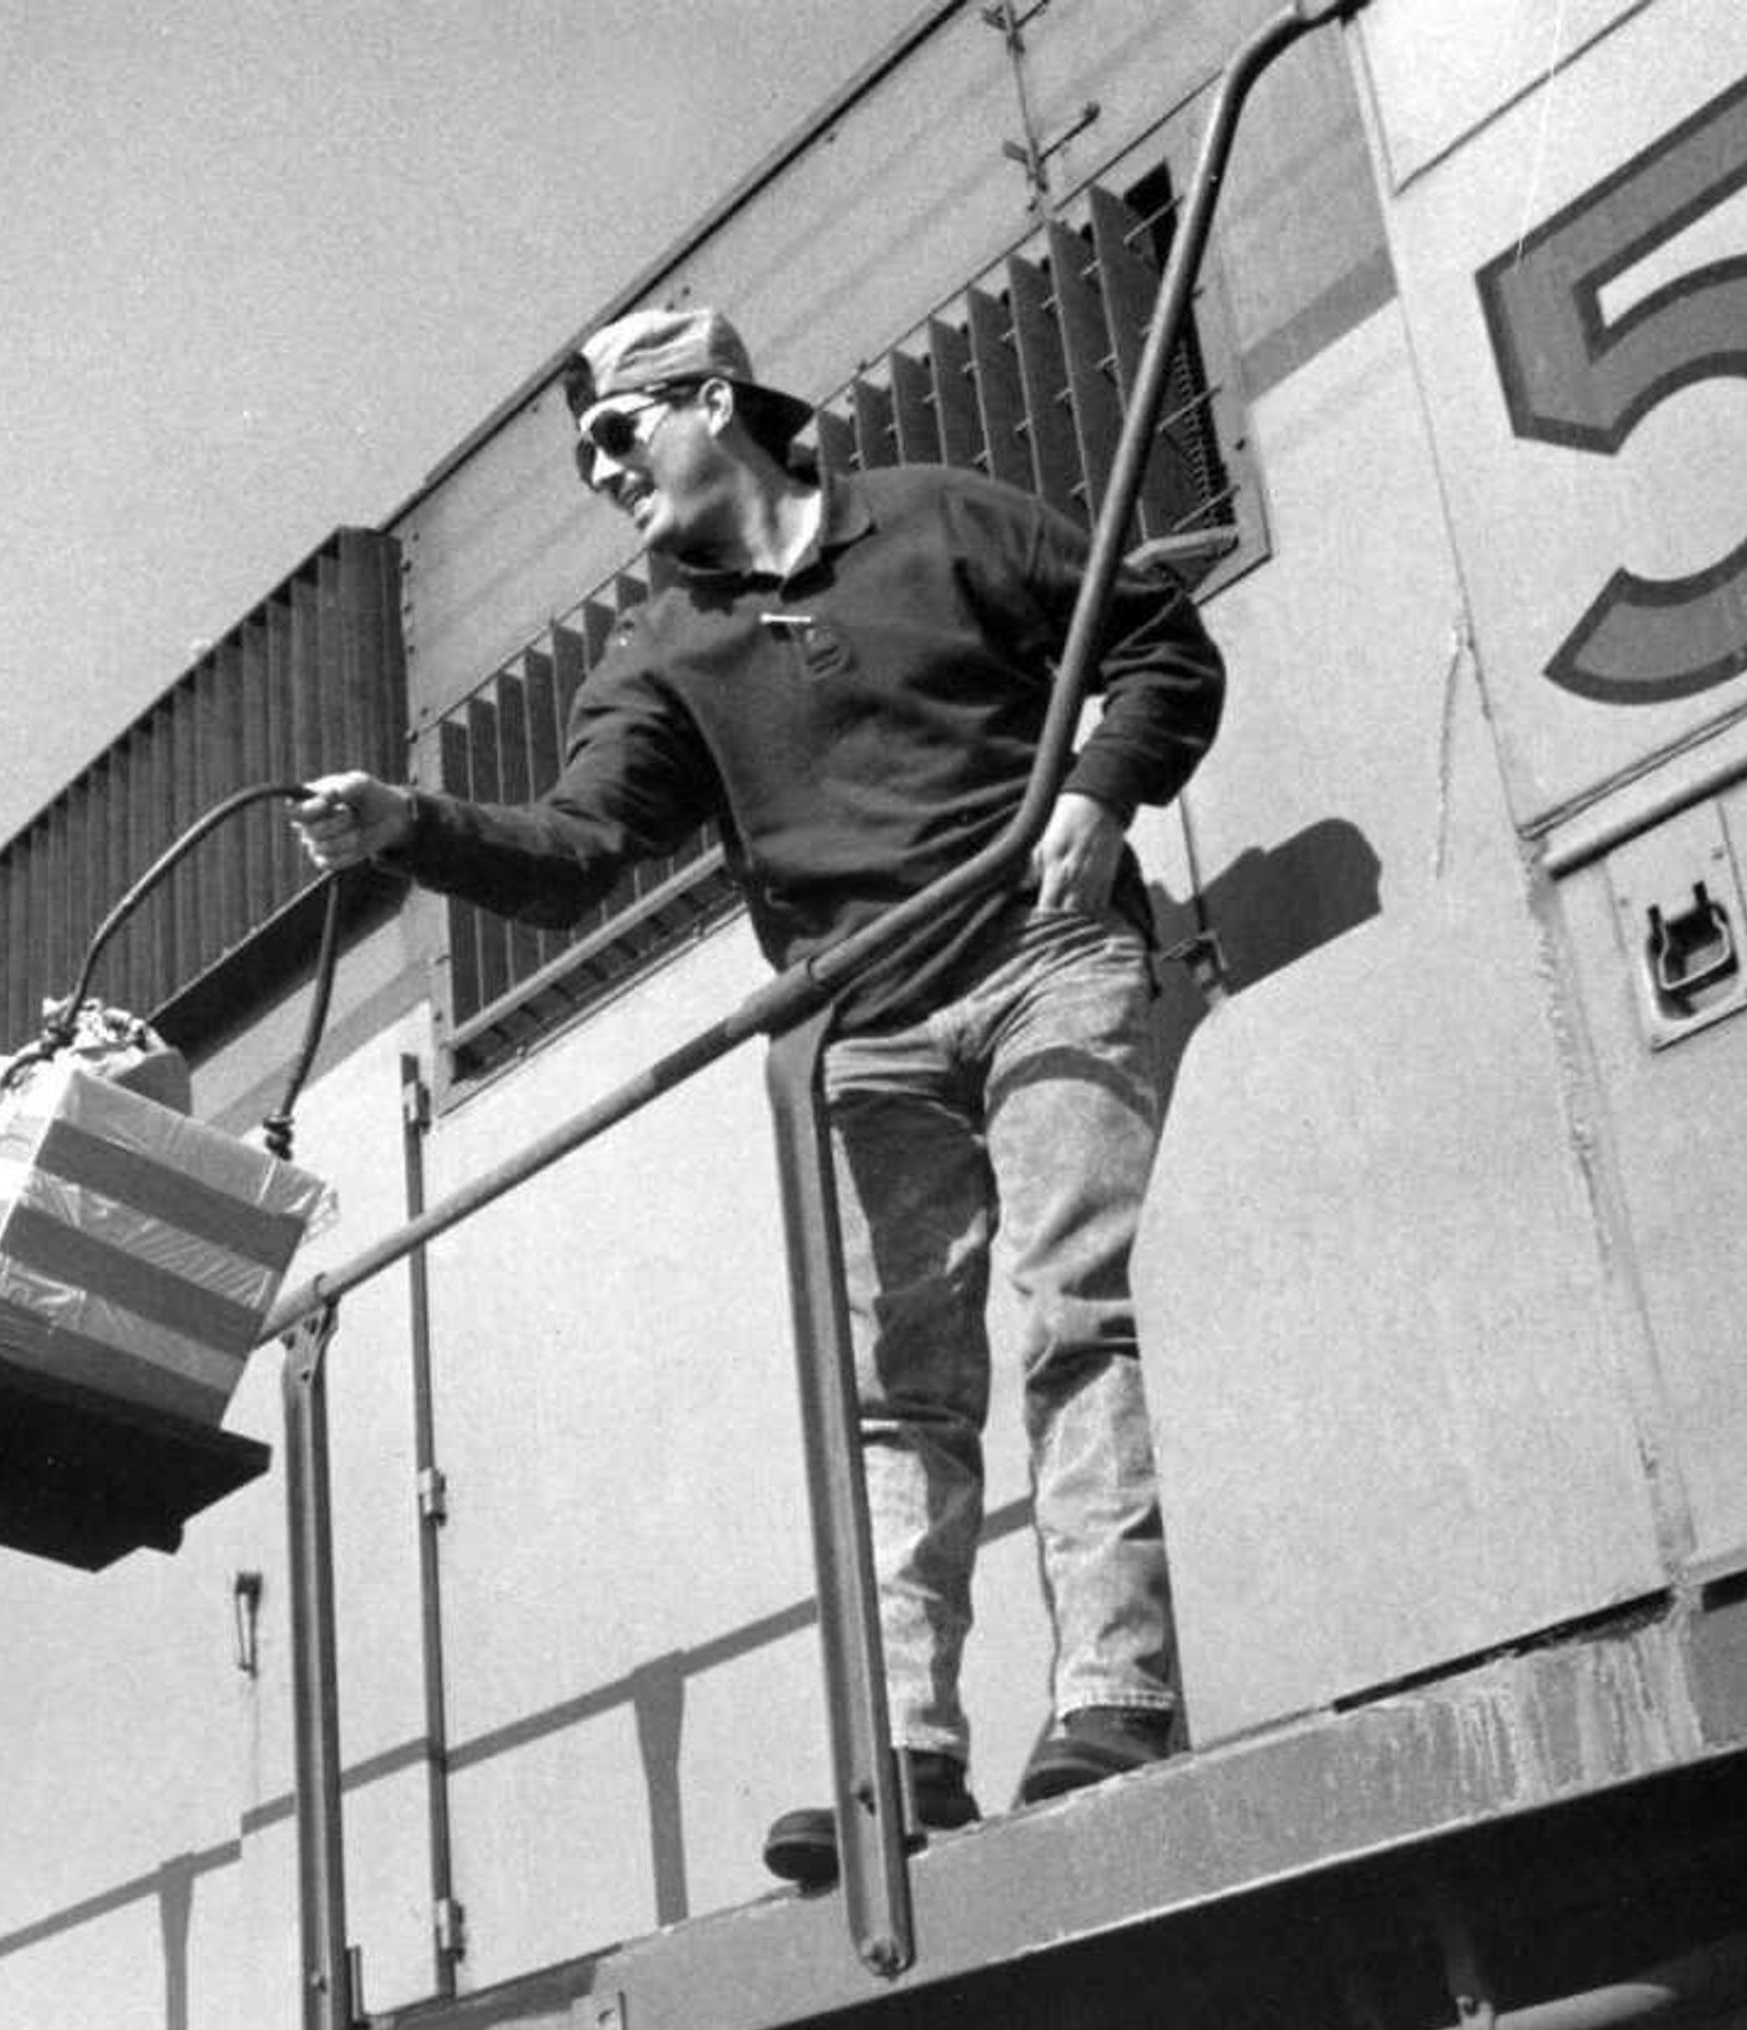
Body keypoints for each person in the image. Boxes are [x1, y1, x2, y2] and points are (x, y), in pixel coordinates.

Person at [292, 304, 1224, 1887]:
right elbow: (574, 852)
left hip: (1048, 951)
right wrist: (405, 827)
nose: (601, 471)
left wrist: (1098, 789)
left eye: (616, 433)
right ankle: (909, 1757)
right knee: (900, 1398)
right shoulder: (660, 654)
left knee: (1071, 1312)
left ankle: (1115, 1699)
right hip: (865, 1026)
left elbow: (1157, 644)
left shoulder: (944, 519)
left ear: (713, 402)